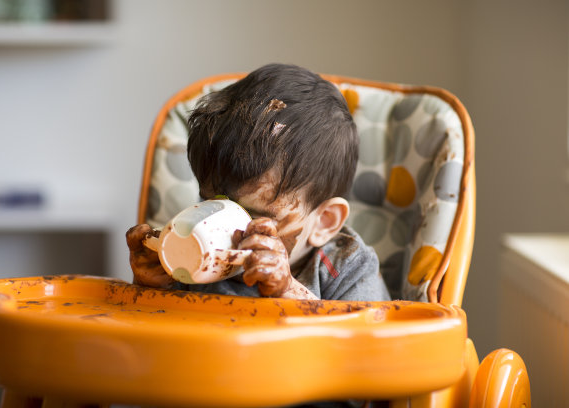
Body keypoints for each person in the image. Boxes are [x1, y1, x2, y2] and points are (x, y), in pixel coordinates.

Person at [126, 63, 390, 302]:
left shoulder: (348, 267)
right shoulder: (193, 247)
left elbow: (365, 345)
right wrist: (149, 289)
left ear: (325, 221)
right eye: (210, 202)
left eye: (252, 216)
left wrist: (289, 292)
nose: (223, 230)